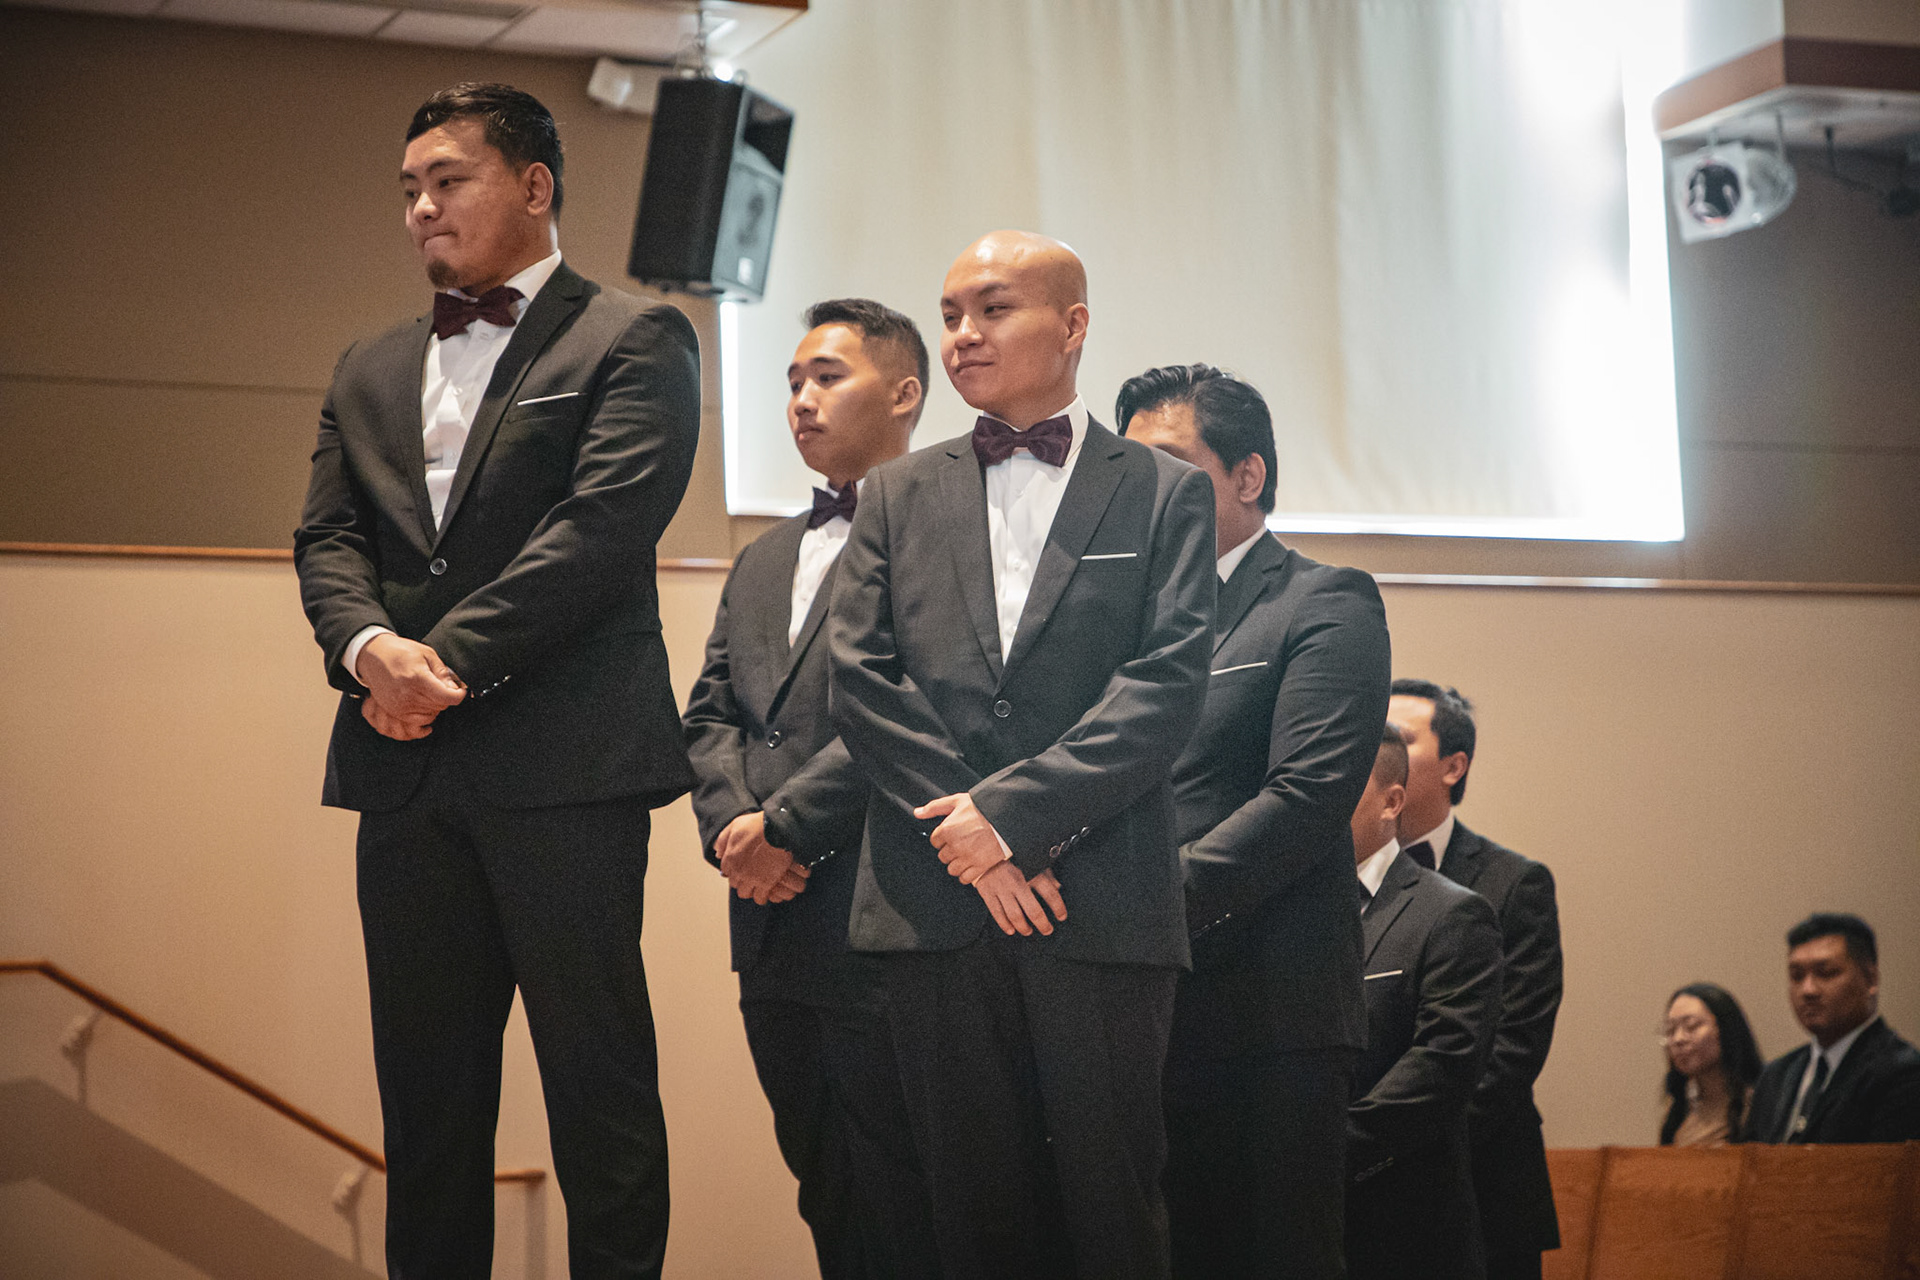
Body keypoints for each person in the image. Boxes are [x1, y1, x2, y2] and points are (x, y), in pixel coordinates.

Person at [293, 83, 700, 1277]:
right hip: (403, 773)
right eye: (409, 188)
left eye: (448, 179)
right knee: (427, 1109)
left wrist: (443, 664)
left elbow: (601, 529)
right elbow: (327, 540)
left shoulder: (633, 336)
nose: (421, 207)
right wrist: (370, 651)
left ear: (534, 185)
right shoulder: (369, 363)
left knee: (599, 1095)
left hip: (566, 768)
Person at [828, 230, 1217, 1280]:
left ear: (1073, 325)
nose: (963, 334)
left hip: (1104, 903)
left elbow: (1165, 685)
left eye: (993, 309)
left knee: (1111, 1210)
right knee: (968, 1220)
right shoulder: (895, 491)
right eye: (951, 315)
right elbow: (859, 678)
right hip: (933, 903)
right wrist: (972, 840)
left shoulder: (1165, 491)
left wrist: (1010, 822)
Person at [1118, 365, 1390, 1280]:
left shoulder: (1322, 600)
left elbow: (1306, 798)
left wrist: (1141, 905)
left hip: (1264, 1019)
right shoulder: (1116, 624)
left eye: (1169, 464)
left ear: (1248, 475)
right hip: (1129, 1011)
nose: (1144, 490)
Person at [682, 298, 934, 1278]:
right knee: (823, 1180)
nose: (801, 398)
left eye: (828, 376)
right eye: (792, 381)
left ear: (904, 393)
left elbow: (921, 704)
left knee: (908, 1191)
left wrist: (786, 826)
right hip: (771, 920)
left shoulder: (945, 533)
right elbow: (711, 712)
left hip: (885, 907)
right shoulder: (764, 557)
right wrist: (733, 830)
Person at [1389, 679, 1562, 1280]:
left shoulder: (1515, 883)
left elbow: (1514, 1046)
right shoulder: (1335, 879)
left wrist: (1405, 1141)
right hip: (1366, 1190)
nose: (1376, 749)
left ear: (1453, 766)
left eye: (1399, 737)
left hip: (1483, 1180)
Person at [1347, 723, 1503, 1280]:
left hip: (1402, 1222)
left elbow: (1443, 1061)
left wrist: (1325, 1150)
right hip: (1294, 1224)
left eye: (1341, 784)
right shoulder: (1282, 915)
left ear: (1392, 802)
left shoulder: (1451, 914)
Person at [1743, 913, 1920, 1143]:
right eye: (1797, 976)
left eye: (1825, 973)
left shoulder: (1903, 1073)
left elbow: (1888, 1164)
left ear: (1871, 979)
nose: (1808, 990)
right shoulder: (1776, 1075)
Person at [1657, 983, 1762, 1147]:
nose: (1678, 1039)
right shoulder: (1679, 1110)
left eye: (1691, 1026)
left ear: (1725, 1029)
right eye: (1670, 1030)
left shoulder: (1759, 1103)